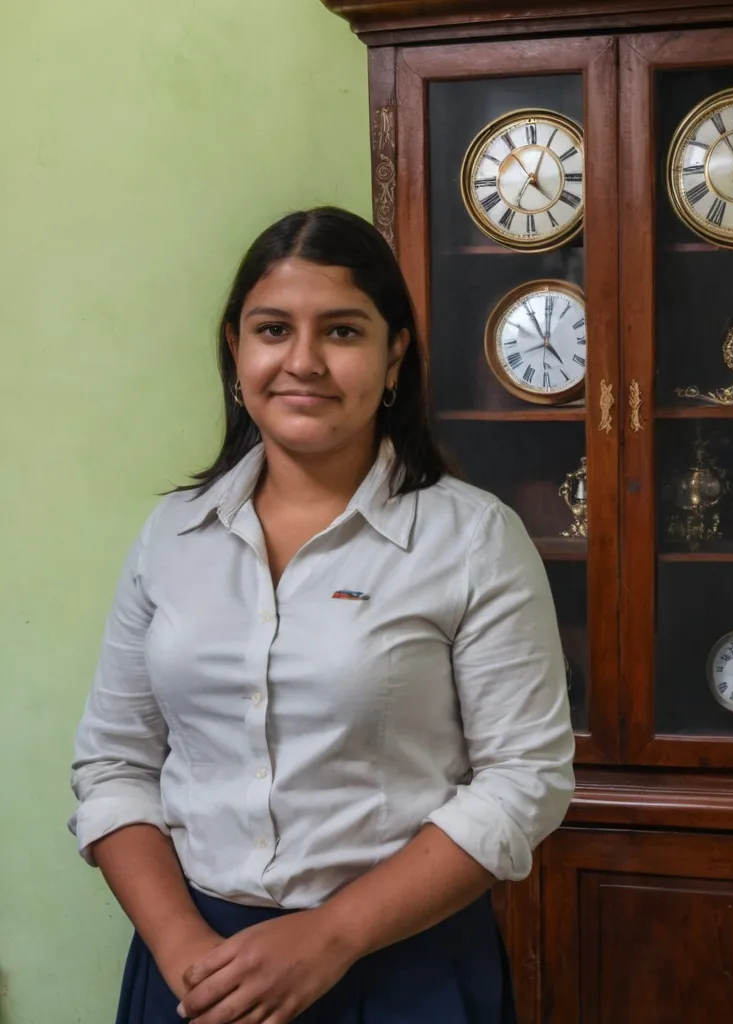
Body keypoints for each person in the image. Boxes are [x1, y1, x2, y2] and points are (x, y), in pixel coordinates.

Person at [69, 206, 576, 1024]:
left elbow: (525, 781)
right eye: (273, 330)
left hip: (400, 969)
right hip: (199, 974)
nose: (302, 362)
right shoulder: (172, 535)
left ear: (394, 354)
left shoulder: (473, 537)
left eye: (342, 332)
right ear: (235, 348)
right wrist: (185, 956)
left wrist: (331, 937)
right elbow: (115, 765)